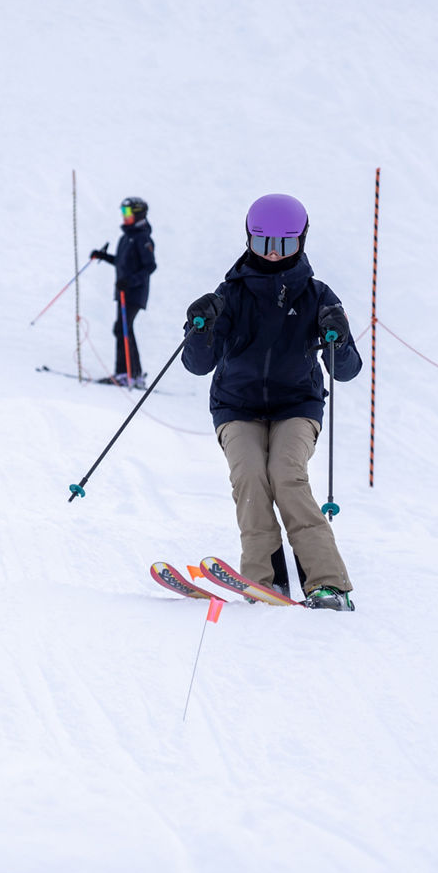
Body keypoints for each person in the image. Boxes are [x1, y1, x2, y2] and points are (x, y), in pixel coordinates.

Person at [181, 193, 361, 611]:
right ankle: (266, 581)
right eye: (264, 244)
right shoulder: (229, 295)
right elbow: (197, 364)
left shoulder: (318, 296)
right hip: (236, 406)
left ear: (302, 240)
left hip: (297, 405)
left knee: (286, 474)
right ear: (249, 239)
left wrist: (338, 337)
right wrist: (199, 328)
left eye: (285, 243)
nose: (275, 254)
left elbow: (347, 370)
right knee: (249, 479)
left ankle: (328, 584)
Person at [90, 197, 156, 388]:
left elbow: (149, 266)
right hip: (123, 293)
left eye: (127, 213)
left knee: (122, 328)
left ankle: (128, 374)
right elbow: (122, 262)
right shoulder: (127, 237)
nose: (124, 216)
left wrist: (130, 281)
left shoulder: (143, 237)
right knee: (123, 329)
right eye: (123, 212)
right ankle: (131, 374)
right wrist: (102, 256)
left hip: (134, 293)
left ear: (138, 214)